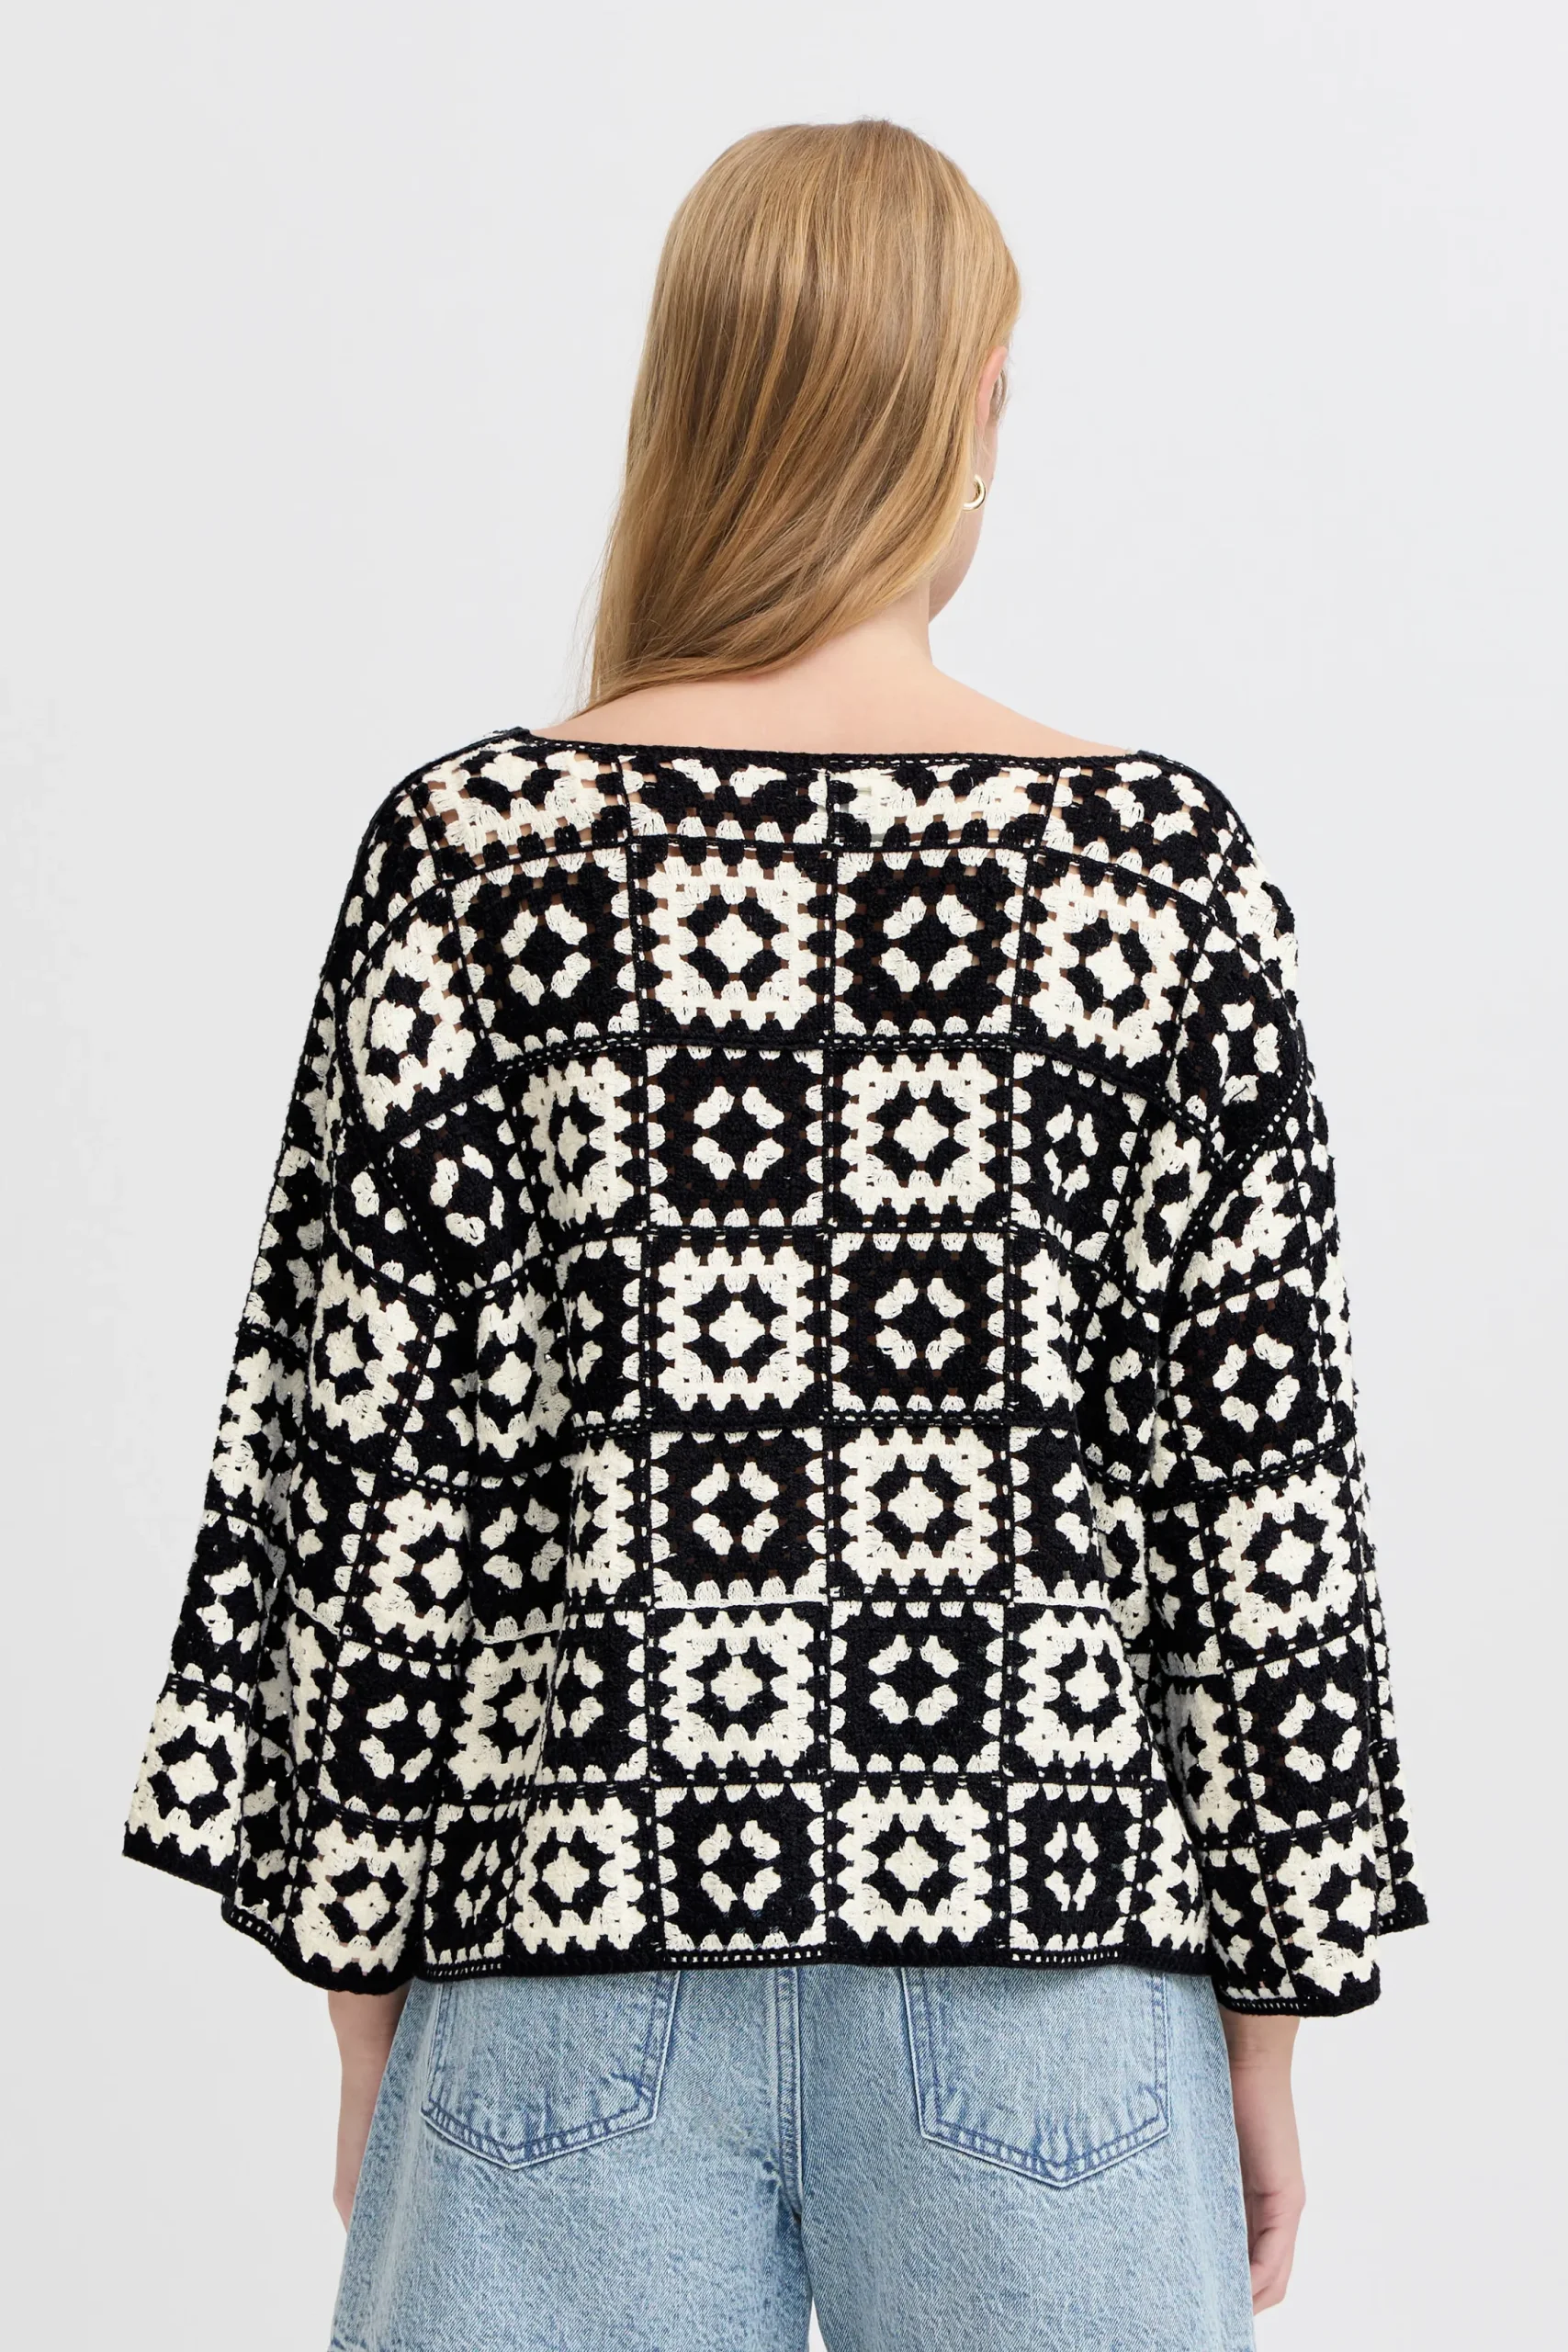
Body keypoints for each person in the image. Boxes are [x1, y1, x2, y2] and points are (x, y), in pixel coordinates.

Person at [124, 118, 1425, 2352]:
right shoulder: (1152, 873)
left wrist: (365, 1997)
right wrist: (1270, 2026)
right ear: (975, 405)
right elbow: (1258, 1493)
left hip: (560, 1930)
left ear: (689, 403)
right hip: (1045, 1935)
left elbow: (365, 1477)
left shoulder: (474, 856)